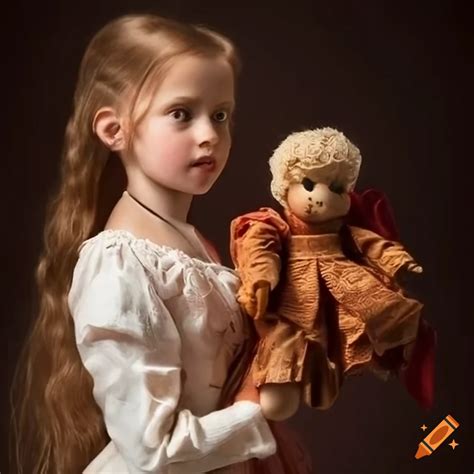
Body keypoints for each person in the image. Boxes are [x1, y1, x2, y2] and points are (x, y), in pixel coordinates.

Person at [10, 13, 312, 474]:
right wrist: (258, 408)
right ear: (115, 130)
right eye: (180, 114)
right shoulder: (119, 262)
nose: (209, 134)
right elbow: (152, 450)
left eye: (220, 115)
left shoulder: (196, 246)